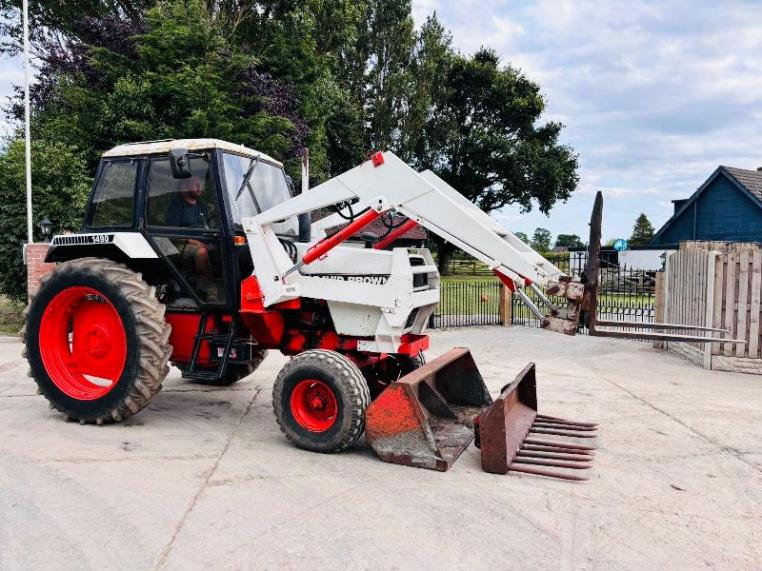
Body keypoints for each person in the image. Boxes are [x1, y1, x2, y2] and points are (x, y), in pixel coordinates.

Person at [164, 177, 216, 297]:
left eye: (200, 184)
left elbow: (208, 226)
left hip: (205, 241)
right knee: (201, 253)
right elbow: (171, 233)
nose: (199, 187)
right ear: (184, 186)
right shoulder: (176, 206)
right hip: (181, 243)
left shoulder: (202, 206)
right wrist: (193, 241)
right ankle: (210, 291)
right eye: (195, 184)